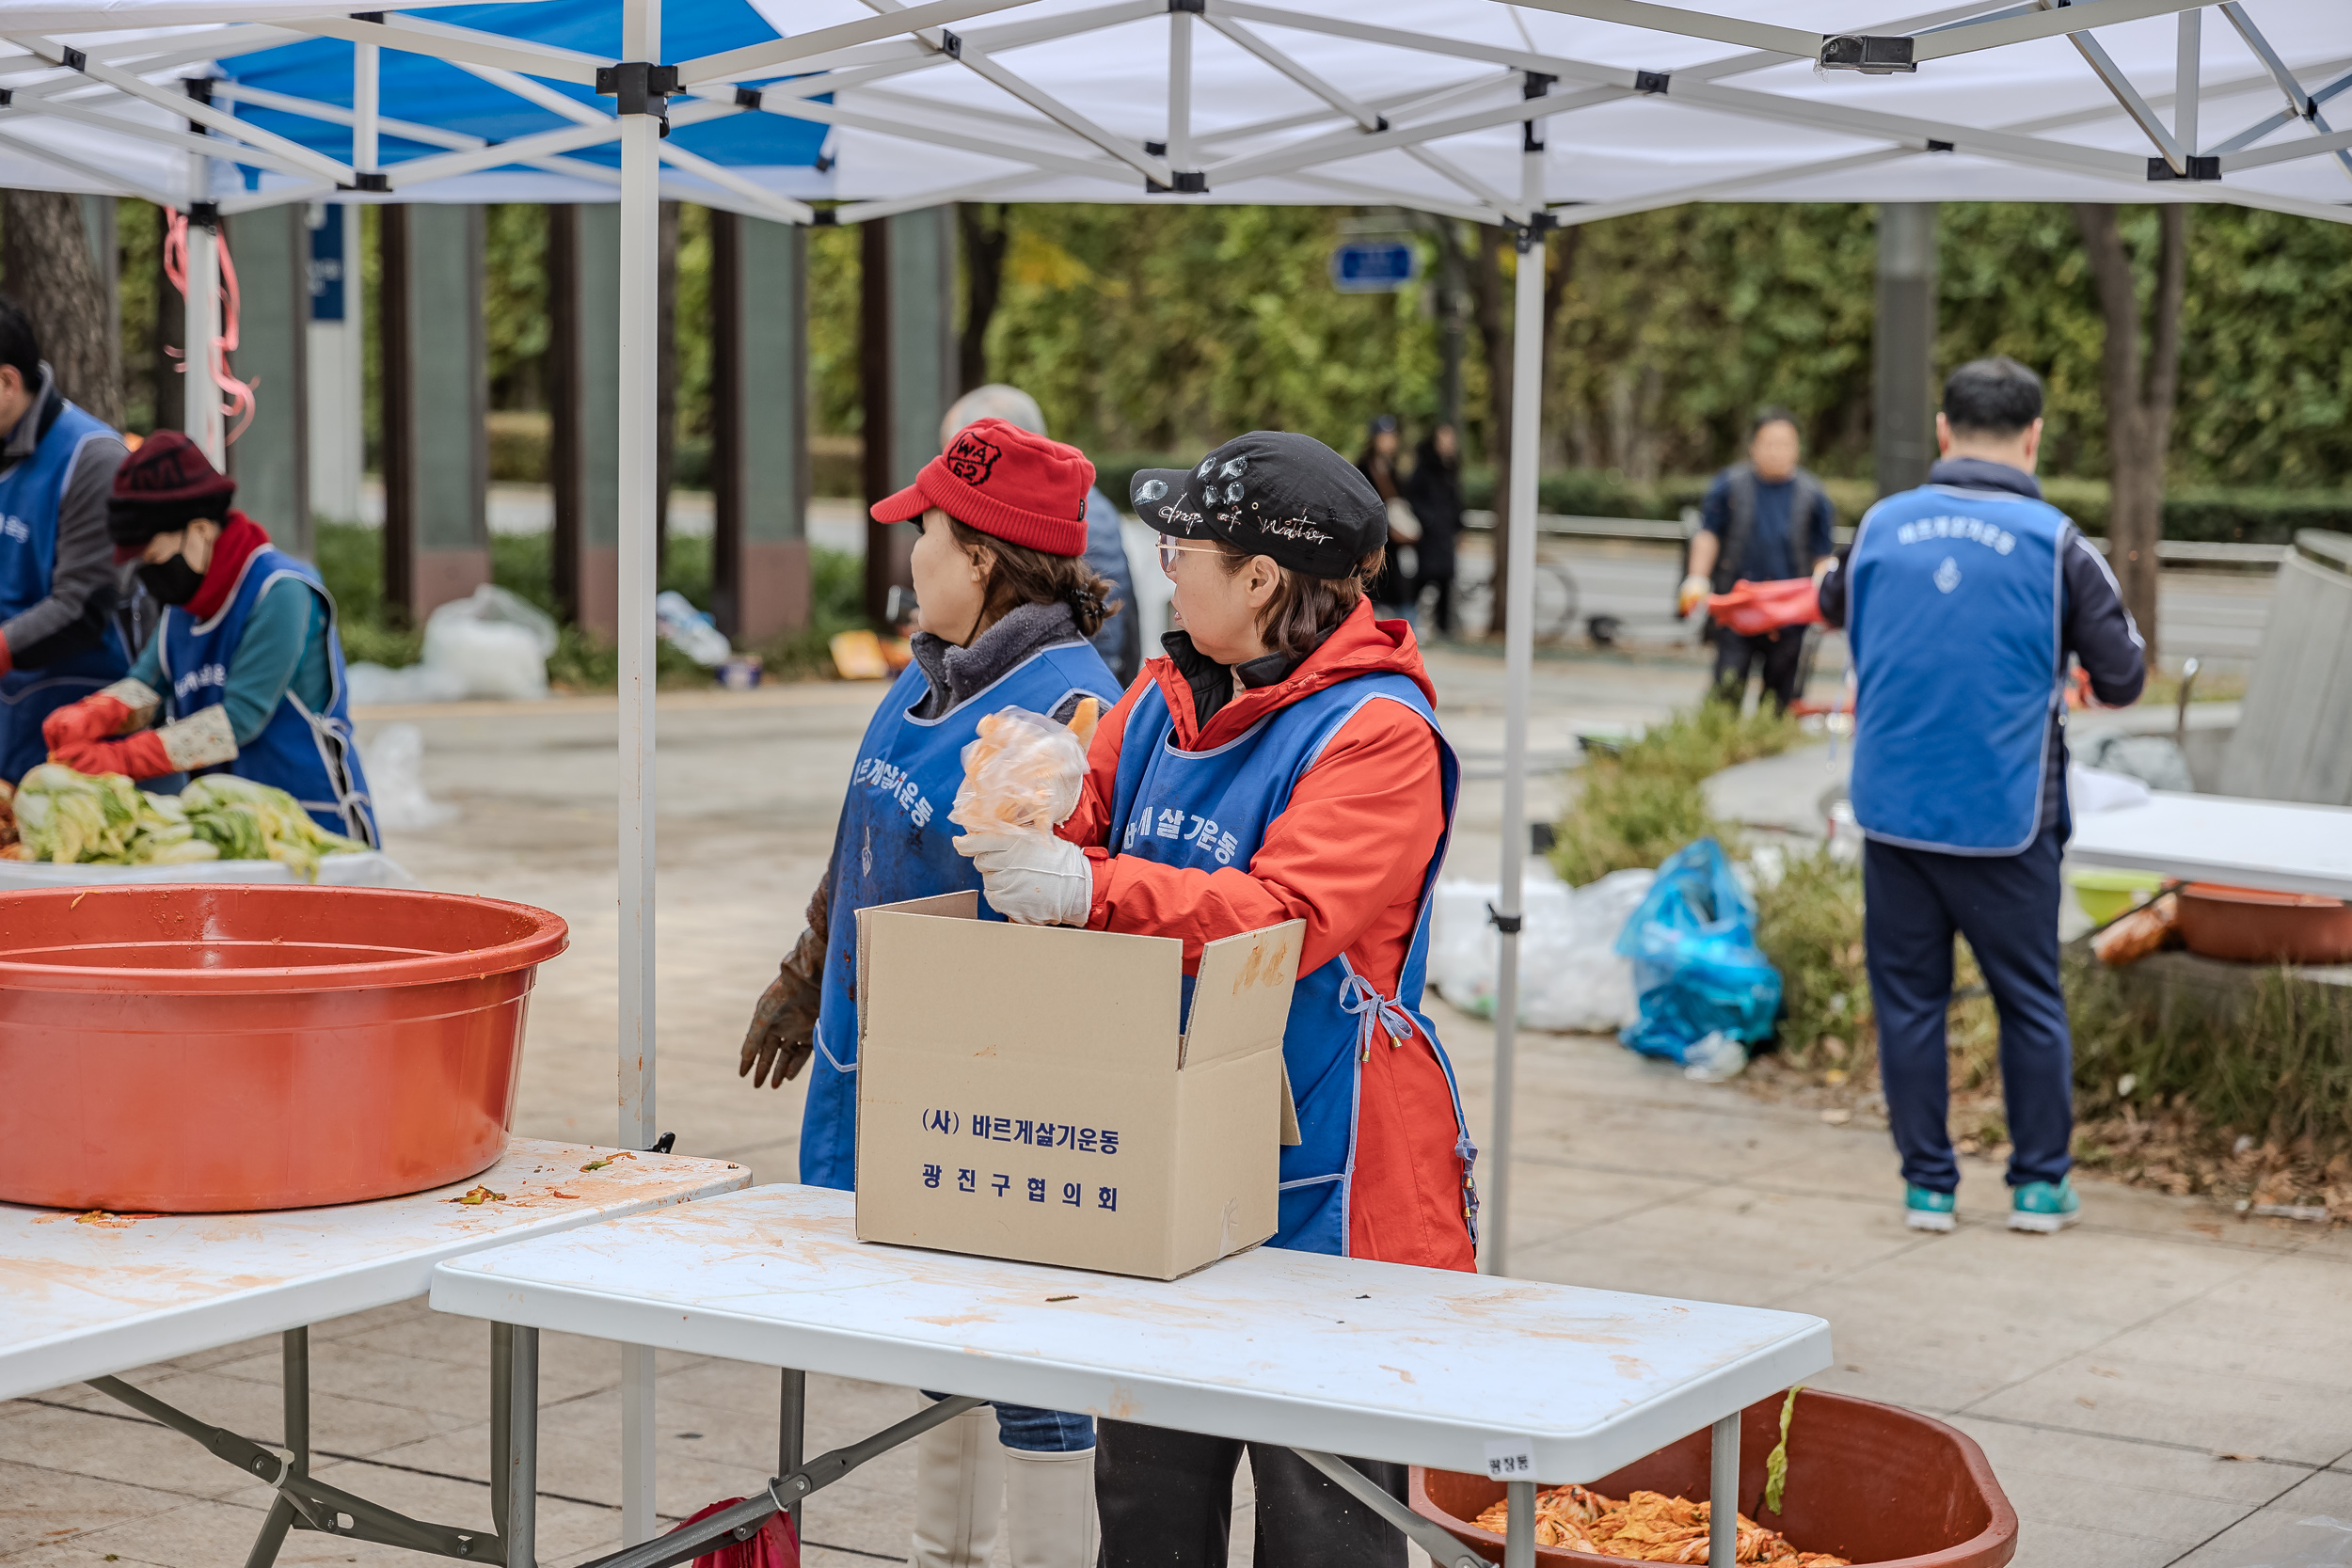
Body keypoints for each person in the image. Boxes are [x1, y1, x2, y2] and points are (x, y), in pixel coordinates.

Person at [958, 433, 1477, 1568]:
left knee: (1323, 1525)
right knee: (1146, 1506)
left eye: (1184, 547)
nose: (1165, 568)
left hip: (1326, 1175)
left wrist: (1085, 884)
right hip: (1164, 1154)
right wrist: (1028, 798)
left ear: (1260, 579)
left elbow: (1283, 919)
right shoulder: (1160, 693)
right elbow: (1084, 827)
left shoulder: (1376, 733)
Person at [736, 417, 1125, 1568]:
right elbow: (861, 828)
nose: (909, 551)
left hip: (987, 1086)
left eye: (929, 534)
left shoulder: (1059, 715)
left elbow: (1057, 919)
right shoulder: (930, 678)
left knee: (1023, 1352)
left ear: (984, 561)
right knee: (942, 1337)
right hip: (885, 1053)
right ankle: (940, 1549)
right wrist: (807, 968)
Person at [1818, 357, 2143, 1236]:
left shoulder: (1883, 525)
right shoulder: (2058, 544)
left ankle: (1929, 1186)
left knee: (1909, 1002)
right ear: (2034, 437)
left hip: (1893, 815)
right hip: (2009, 820)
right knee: (2029, 1000)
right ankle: (2039, 1186)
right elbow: (2123, 678)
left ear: (1941, 430)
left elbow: (1829, 600)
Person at [41, 431, 377, 843]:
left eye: (153, 559)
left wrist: (120, 757)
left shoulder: (281, 591)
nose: (148, 577)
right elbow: (146, 685)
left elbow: (238, 721)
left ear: (199, 530)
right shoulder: (185, 604)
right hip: (232, 827)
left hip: (313, 824)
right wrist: (93, 713)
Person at [0, 293, 132, 782]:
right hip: (9, 718)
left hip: (81, 718)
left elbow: (82, 605)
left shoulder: (92, 458)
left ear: (8, 382)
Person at [936, 383, 1141, 688]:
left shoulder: (1032, 514)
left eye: (963, 459)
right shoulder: (1091, 500)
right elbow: (1126, 608)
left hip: (1056, 694)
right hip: (1102, 677)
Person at [1679, 408, 1837, 712]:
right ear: (1754, 446)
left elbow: (1822, 553)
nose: (1777, 451)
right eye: (1770, 443)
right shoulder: (1730, 485)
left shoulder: (1813, 495)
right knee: (1726, 690)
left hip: (1789, 614)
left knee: (1780, 701)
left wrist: (1822, 590)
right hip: (1737, 608)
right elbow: (1708, 534)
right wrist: (1696, 577)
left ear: (1797, 448)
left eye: (1785, 443)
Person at [1402, 423, 1463, 637]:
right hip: (1429, 536)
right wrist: (1429, 520)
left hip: (1445, 534)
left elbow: (1456, 501)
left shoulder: (1452, 467)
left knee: (1446, 580)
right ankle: (1409, 618)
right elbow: (1413, 498)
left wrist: (1458, 526)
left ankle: (1443, 626)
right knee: (1424, 578)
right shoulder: (1424, 468)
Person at [1356, 414, 1416, 617]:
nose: (1388, 441)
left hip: (1393, 546)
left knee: (1398, 592)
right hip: (1373, 544)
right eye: (1384, 436)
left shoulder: (1394, 470)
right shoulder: (1363, 468)